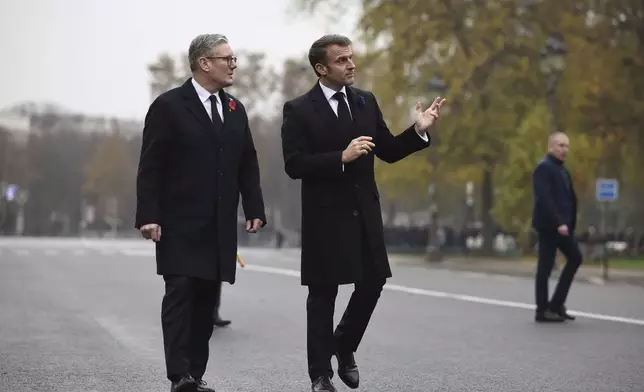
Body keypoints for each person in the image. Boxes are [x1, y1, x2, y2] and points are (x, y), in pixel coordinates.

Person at [280, 34, 446, 392]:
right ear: (321, 69)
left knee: (373, 282)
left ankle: (344, 343)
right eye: (342, 60)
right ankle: (320, 374)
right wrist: (340, 157)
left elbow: (387, 150)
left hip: (364, 213)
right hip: (325, 215)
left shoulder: (365, 101)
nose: (351, 65)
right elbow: (294, 165)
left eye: (351, 58)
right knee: (323, 294)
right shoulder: (299, 109)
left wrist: (417, 131)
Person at [135, 33, 266, 392]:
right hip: (178, 223)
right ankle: (180, 375)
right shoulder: (169, 105)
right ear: (204, 63)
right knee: (180, 293)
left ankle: (196, 372)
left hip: (219, 225)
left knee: (207, 298)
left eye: (234, 58)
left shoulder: (236, 109)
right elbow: (151, 166)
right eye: (227, 58)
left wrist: (254, 207)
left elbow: (247, 163)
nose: (233, 64)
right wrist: (149, 215)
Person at [531, 131, 582, 323]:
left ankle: (556, 304)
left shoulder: (562, 170)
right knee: (545, 267)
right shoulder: (544, 168)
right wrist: (558, 221)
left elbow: (567, 199)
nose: (564, 150)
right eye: (560, 145)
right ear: (550, 147)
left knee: (575, 258)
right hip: (549, 226)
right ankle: (542, 310)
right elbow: (544, 199)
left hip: (563, 226)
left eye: (566, 146)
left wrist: (569, 222)